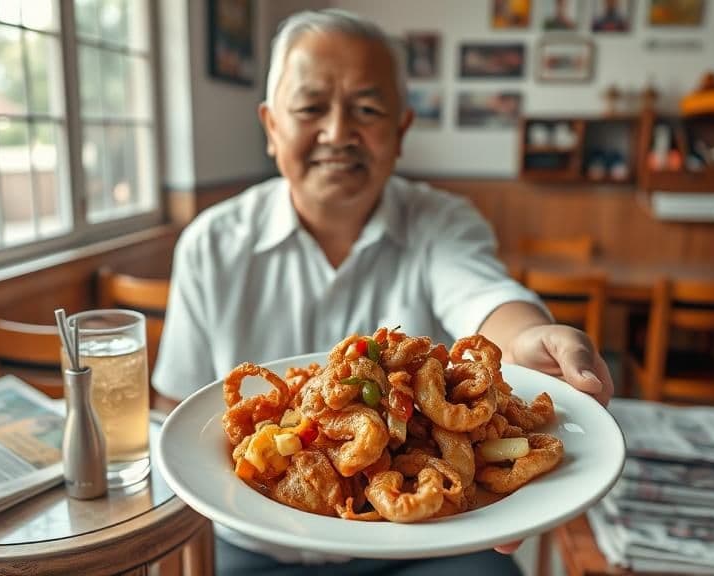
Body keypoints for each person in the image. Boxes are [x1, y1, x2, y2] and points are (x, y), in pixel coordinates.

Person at [153, 9, 614, 576]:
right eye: (310, 108)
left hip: (428, 545)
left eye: (367, 110)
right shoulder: (210, 244)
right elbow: (177, 414)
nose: (337, 132)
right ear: (271, 127)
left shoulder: (442, 222)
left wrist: (529, 339)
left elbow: (485, 295)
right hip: (254, 544)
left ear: (400, 130)